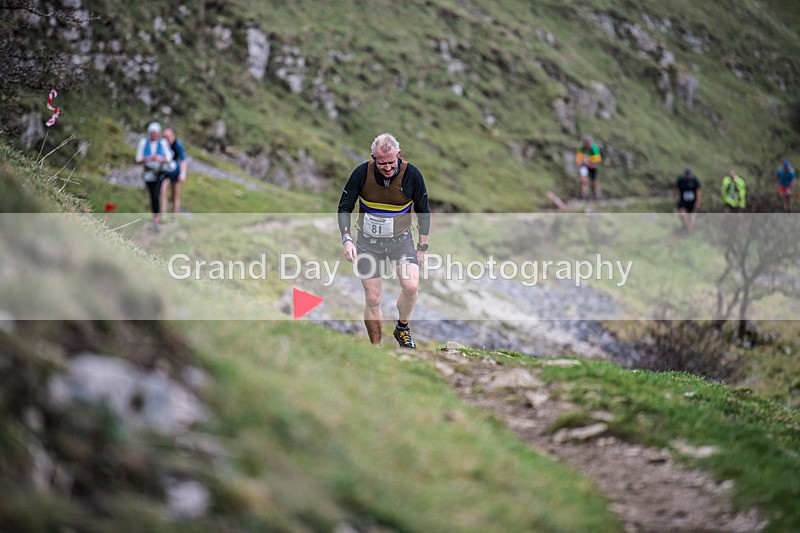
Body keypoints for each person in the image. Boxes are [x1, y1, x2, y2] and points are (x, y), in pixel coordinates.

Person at [337, 133, 430, 349]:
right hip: (368, 243)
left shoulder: (412, 175)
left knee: (411, 285)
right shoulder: (362, 173)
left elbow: (423, 211)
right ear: (373, 158)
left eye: (390, 163)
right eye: (381, 164)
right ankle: (375, 349)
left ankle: (402, 327)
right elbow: (344, 207)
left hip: (401, 241)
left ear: (398, 155)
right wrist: (347, 239)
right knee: (373, 298)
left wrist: (422, 247)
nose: (387, 168)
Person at [135, 121, 173, 230]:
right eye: (152, 133)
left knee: (157, 194)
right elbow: (138, 159)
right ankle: (155, 217)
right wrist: (148, 158)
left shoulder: (163, 143)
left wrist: (160, 159)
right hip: (148, 172)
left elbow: (169, 158)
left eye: (156, 133)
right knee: (152, 195)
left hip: (159, 172)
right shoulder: (143, 142)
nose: (154, 135)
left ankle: (157, 219)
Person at [160, 127, 188, 221]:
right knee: (162, 189)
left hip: (176, 172)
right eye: (164, 137)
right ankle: (163, 213)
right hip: (166, 172)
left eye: (168, 136)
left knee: (175, 194)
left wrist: (183, 174)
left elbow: (183, 160)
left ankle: (174, 216)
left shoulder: (177, 145)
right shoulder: (162, 145)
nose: (166, 139)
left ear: (172, 136)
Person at [575, 135, 602, 199]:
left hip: (593, 166)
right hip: (584, 166)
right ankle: (584, 195)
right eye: (586, 142)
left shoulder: (594, 148)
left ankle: (595, 195)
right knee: (583, 180)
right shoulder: (582, 148)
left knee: (593, 181)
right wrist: (580, 162)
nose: (587, 144)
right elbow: (578, 158)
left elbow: (598, 159)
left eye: (588, 142)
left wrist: (589, 159)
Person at [675, 167, 701, 232]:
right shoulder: (681, 180)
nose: (688, 177)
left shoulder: (695, 181)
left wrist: (697, 201)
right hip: (683, 201)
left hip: (692, 201)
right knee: (681, 214)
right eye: (686, 175)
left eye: (689, 175)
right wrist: (676, 196)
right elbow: (676, 188)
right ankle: (684, 225)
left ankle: (690, 228)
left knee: (690, 215)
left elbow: (698, 191)